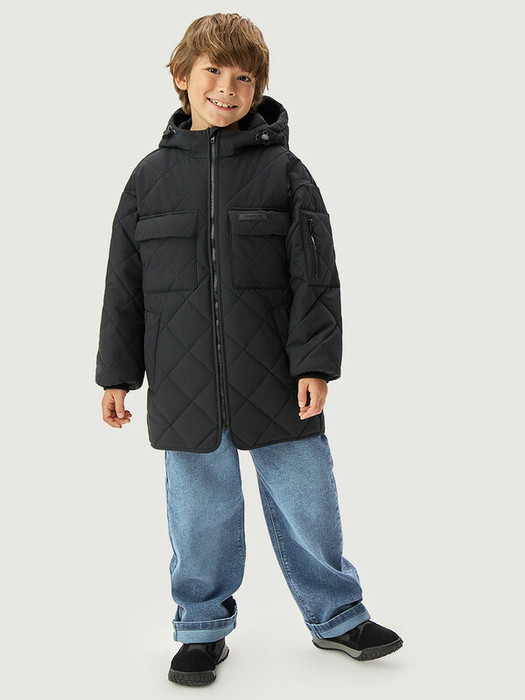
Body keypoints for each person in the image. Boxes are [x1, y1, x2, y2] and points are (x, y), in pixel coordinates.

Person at [95, 12, 403, 687]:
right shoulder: (148, 180)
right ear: (182, 77)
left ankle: (337, 616)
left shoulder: (284, 173)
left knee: (308, 503)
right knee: (198, 515)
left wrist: (315, 363)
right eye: (213, 72)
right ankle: (201, 628)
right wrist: (116, 376)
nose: (227, 89)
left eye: (243, 78)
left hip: (276, 377)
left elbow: (314, 277)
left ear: (258, 87)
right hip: (184, 384)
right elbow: (124, 285)